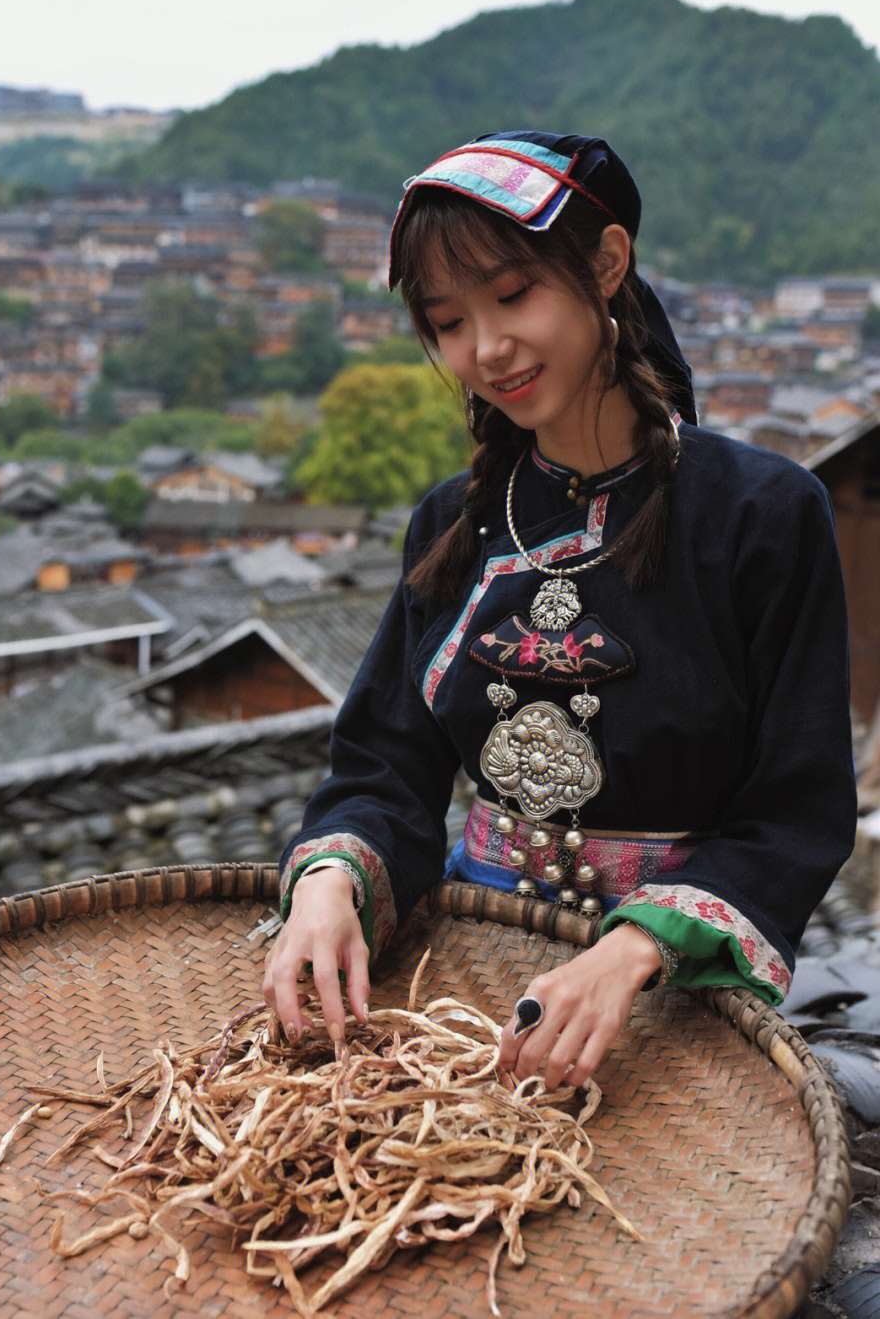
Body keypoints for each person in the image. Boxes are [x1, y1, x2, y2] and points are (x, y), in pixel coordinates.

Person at [263, 130, 856, 1091]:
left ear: (606, 261)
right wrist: (332, 878)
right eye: (447, 321)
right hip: (468, 966)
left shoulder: (762, 516)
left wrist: (630, 951)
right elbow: (384, 765)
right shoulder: (451, 527)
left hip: (670, 985)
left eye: (512, 296)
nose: (485, 349)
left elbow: (796, 812)